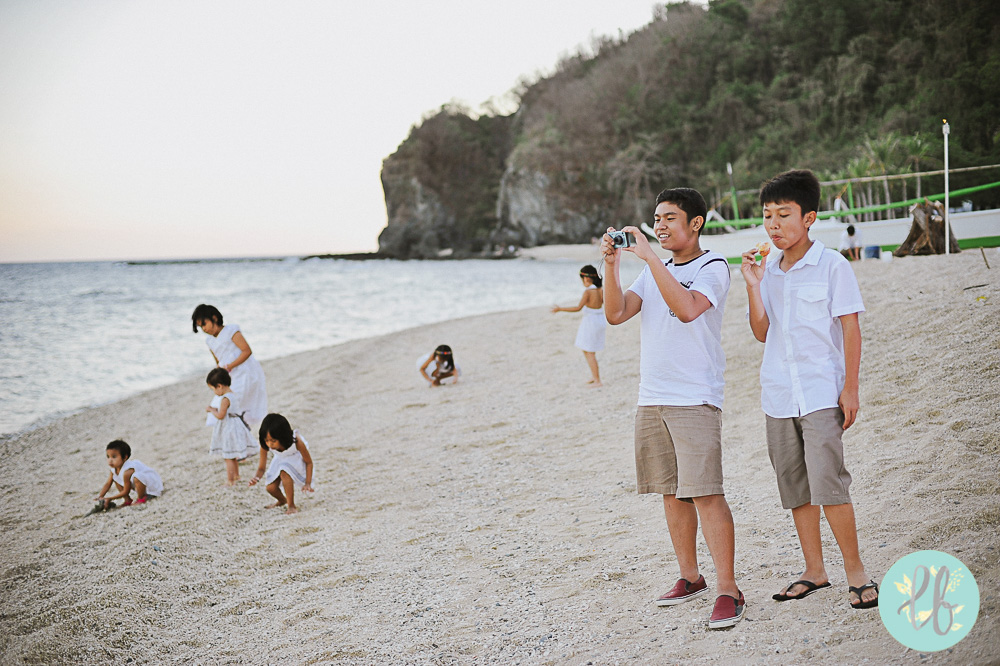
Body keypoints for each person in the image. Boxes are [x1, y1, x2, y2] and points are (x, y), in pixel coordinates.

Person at [602, 187, 744, 629]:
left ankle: (728, 588)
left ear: (696, 223)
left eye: (669, 218)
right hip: (653, 394)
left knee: (705, 492)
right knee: (670, 490)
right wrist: (612, 265)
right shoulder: (653, 269)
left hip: (694, 395)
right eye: (656, 219)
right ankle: (690, 576)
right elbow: (616, 313)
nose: (659, 226)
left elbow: (686, 310)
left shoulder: (713, 266)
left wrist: (649, 260)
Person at [741, 169, 878, 610]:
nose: (774, 225)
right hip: (778, 393)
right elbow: (762, 333)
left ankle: (857, 574)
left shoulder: (833, 265)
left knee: (829, 483)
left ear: (810, 217)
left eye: (784, 214)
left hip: (821, 391)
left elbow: (851, 329)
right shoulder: (769, 272)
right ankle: (814, 571)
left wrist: (850, 389)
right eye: (767, 216)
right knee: (797, 486)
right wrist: (753, 287)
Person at [191, 304, 268, 425]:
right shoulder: (210, 341)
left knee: (237, 406)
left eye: (204, 324)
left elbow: (247, 351)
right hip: (228, 376)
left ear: (214, 318)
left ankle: (242, 430)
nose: (204, 329)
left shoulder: (231, 331)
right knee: (223, 405)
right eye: (200, 327)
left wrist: (230, 366)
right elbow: (218, 361)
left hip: (245, 372)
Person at [551, 264, 606, 387]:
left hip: (591, 321)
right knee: (587, 350)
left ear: (586, 279)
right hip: (599, 320)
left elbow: (578, 308)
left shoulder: (588, 292)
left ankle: (598, 380)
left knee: (589, 351)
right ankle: (594, 376)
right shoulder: (600, 290)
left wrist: (560, 309)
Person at [249, 413, 314, 515]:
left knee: (285, 472)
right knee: (270, 488)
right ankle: (283, 500)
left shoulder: (296, 442)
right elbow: (261, 468)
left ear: (283, 436)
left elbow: (309, 462)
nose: (270, 444)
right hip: (280, 459)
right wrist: (256, 478)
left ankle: (291, 505)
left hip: (295, 459)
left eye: (273, 441)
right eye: (267, 440)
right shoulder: (265, 445)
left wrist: (308, 483)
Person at [205, 368, 255, 486]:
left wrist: (212, 410)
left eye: (213, 389)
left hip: (229, 427)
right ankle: (236, 475)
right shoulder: (233, 394)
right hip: (235, 424)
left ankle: (230, 480)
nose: (214, 393)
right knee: (233, 454)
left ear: (219, 386)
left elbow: (221, 416)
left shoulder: (225, 399)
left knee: (228, 456)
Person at [94, 440, 163, 508]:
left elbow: (126, 491)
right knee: (115, 478)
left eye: (114, 457)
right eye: (108, 457)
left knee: (137, 477)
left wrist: (110, 498)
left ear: (125, 457)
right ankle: (127, 500)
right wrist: (101, 496)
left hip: (152, 486)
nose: (110, 460)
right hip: (141, 484)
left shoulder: (127, 471)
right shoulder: (114, 470)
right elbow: (108, 484)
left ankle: (141, 498)